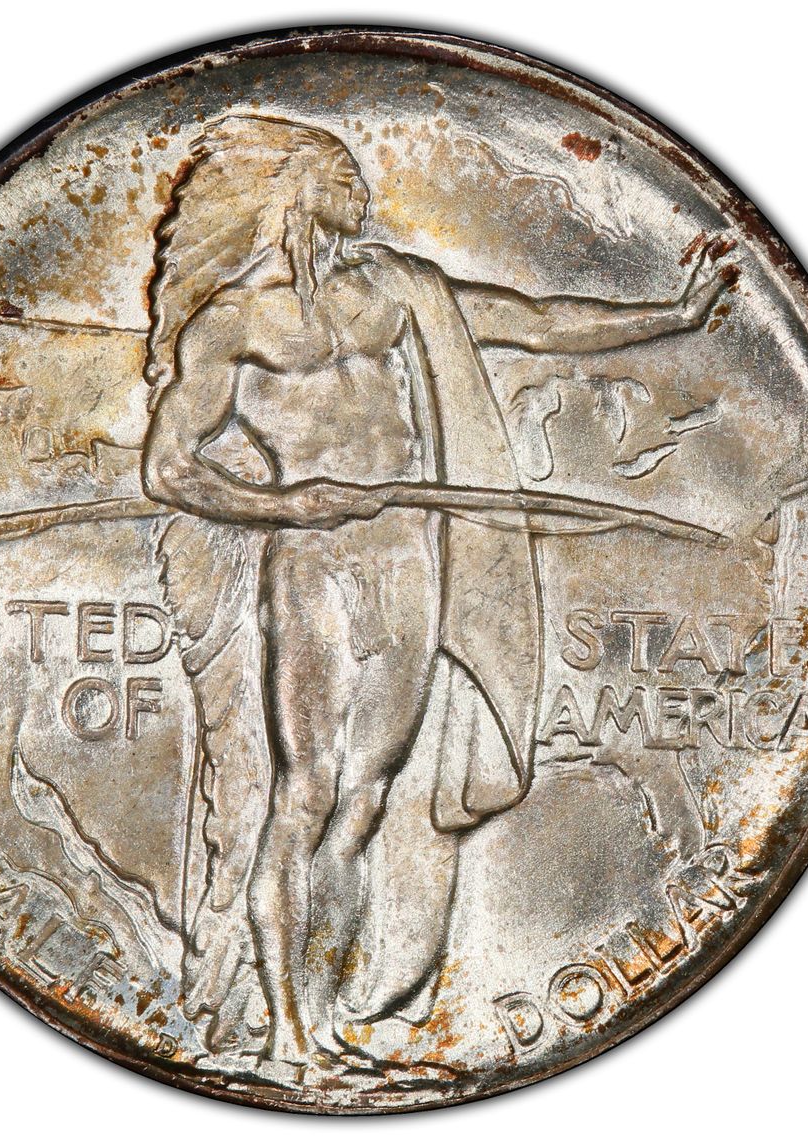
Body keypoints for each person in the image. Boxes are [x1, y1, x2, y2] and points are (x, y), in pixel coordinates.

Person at [141, 114, 730, 1069]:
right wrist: (287, 504)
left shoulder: (400, 291)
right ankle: (286, 1037)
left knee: (365, 800)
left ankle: (325, 1026)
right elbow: (168, 468)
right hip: (314, 562)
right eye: (341, 177)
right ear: (293, 193)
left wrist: (671, 315)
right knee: (307, 792)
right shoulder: (235, 323)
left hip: (409, 554)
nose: (361, 193)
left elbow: (536, 323)